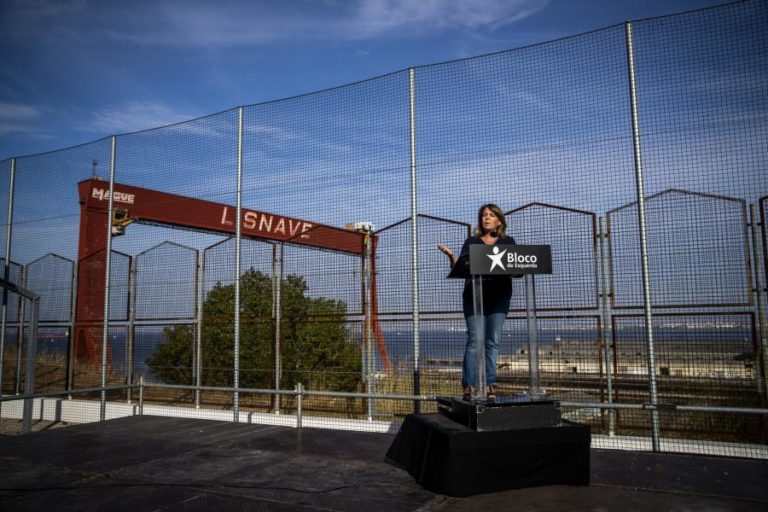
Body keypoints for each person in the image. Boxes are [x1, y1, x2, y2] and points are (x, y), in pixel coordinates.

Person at [437, 204, 515, 401]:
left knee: (492, 341)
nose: (486, 218)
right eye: (483, 216)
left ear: (499, 220)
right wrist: (452, 257)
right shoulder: (471, 242)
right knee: (475, 340)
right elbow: (460, 267)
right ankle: (469, 385)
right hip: (474, 297)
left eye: (491, 215)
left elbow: (517, 266)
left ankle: (491, 383)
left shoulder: (508, 242)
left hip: (499, 297)